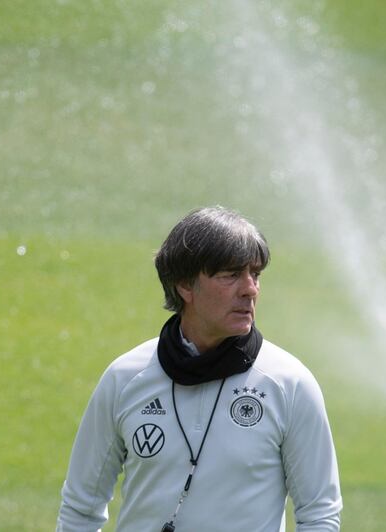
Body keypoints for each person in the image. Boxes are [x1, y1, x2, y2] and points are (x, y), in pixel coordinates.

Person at [57, 206, 342, 531]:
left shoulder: (289, 383)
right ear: (185, 286)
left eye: (256, 274)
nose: (250, 289)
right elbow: (81, 508)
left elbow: (319, 515)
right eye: (230, 275)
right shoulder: (125, 378)